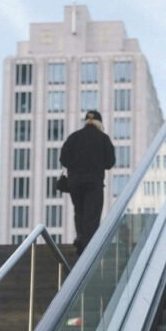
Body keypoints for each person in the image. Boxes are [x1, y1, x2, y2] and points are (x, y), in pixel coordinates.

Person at [60, 109, 116, 256]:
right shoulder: (103, 138)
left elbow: (63, 159)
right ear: (99, 123)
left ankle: (80, 237)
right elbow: (110, 162)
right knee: (92, 214)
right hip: (94, 183)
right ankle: (88, 247)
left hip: (75, 183)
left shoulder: (74, 137)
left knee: (79, 211)